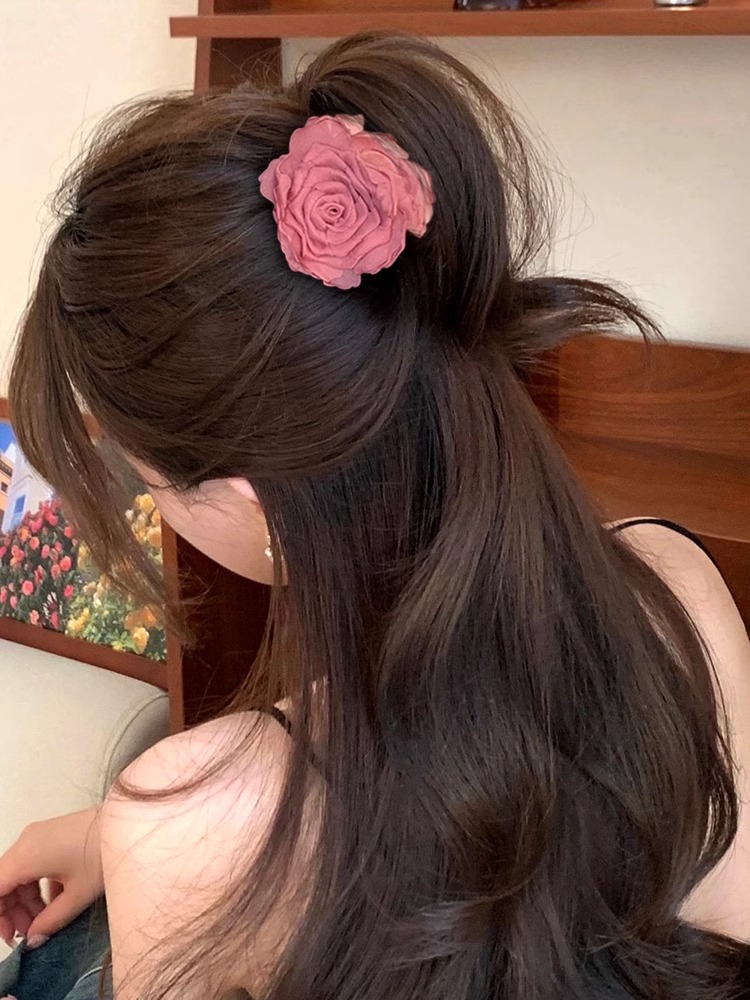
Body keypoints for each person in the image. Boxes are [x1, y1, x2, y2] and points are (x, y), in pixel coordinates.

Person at [0, 30, 748, 1000]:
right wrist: (121, 836)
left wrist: (152, 834)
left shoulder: (186, 820)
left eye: (149, 482)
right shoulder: (678, 585)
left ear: (249, 495)